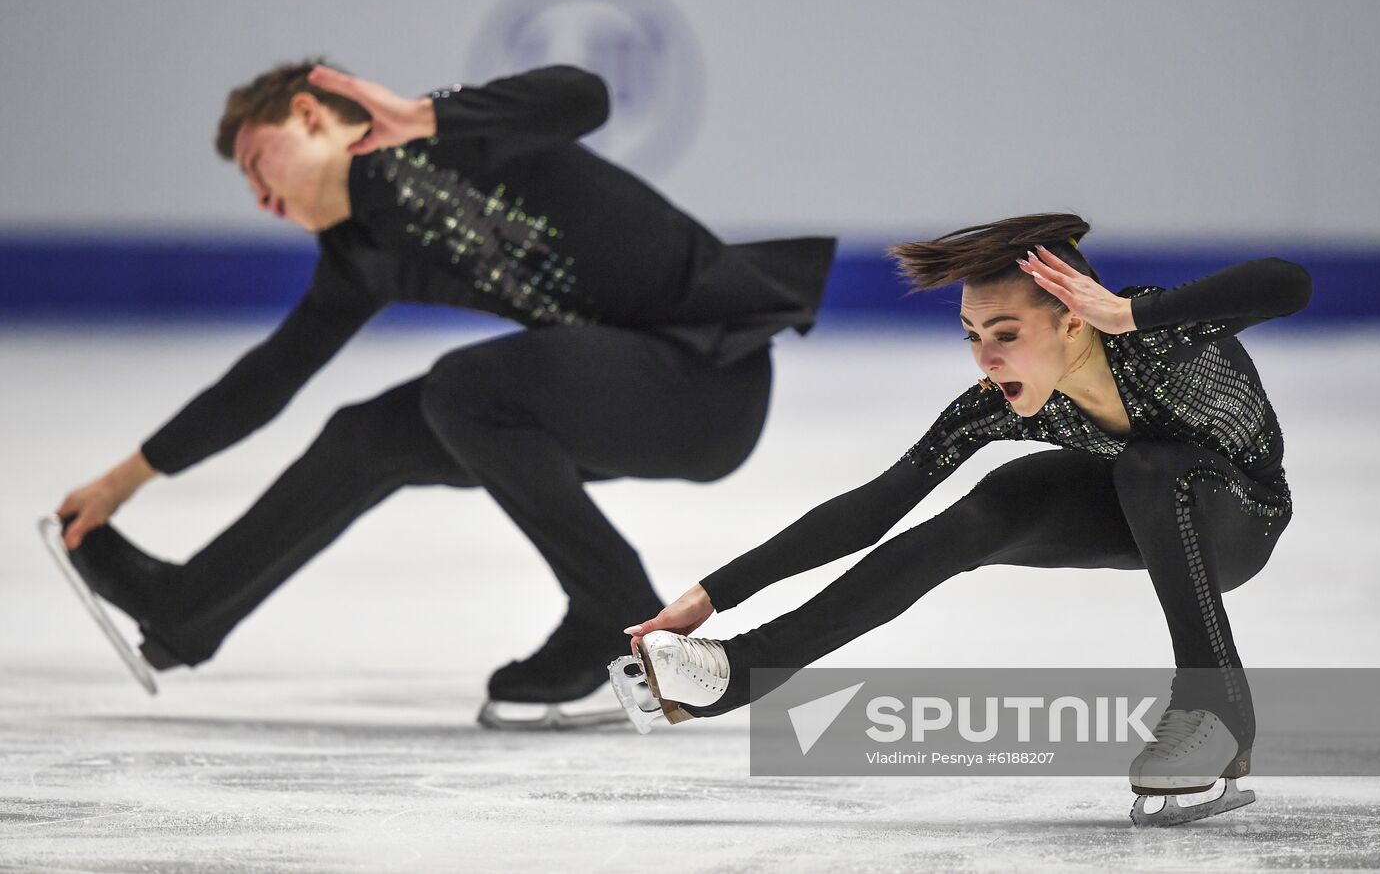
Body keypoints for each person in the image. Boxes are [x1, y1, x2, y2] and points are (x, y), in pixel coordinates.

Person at [52, 60, 835, 728]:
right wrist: (122, 482)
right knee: (371, 433)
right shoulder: (358, 252)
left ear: (309, 114)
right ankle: (186, 609)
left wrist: (431, 114)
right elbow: (264, 381)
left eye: (259, 165)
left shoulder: (450, 134)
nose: (262, 200)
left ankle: (614, 617)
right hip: (619, 385)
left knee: (465, 388)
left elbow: (586, 94)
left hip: (707, 381)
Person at [616, 212, 1311, 824]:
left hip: (1242, 515)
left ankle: (1216, 707)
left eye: (1005, 333)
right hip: (1142, 506)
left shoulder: (1149, 332)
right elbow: (875, 507)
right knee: (988, 508)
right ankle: (737, 670)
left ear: (1073, 319)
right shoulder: (997, 400)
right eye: (972, 333)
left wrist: (1129, 314)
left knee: (1150, 467)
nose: (986, 356)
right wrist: (712, 593)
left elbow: (1288, 283)